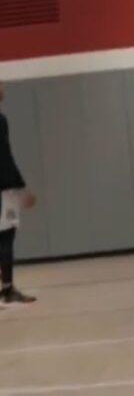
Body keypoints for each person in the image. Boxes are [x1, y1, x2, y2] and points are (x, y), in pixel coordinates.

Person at [0, 80, 37, 307]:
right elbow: (4, 156)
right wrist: (21, 188)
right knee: (6, 237)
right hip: (4, 190)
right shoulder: (0, 121)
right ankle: (7, 290)